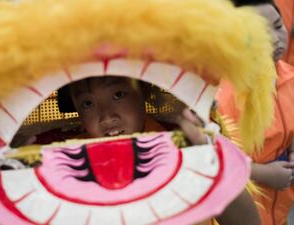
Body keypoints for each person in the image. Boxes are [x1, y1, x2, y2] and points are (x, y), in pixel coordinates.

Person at [57, 76, 261, 225]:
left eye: (118, 95)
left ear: (143, 92)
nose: (106, 117)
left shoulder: (185, 145)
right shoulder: (63, 163)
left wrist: (213, 164)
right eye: (87, 103)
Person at [217, 0, 294, 224]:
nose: (275, 40)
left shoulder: (288, 76)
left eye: (277, 26)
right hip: (246, 210)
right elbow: (218, 162)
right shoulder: (225, 95)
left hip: (282, 205)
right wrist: (266, 174)